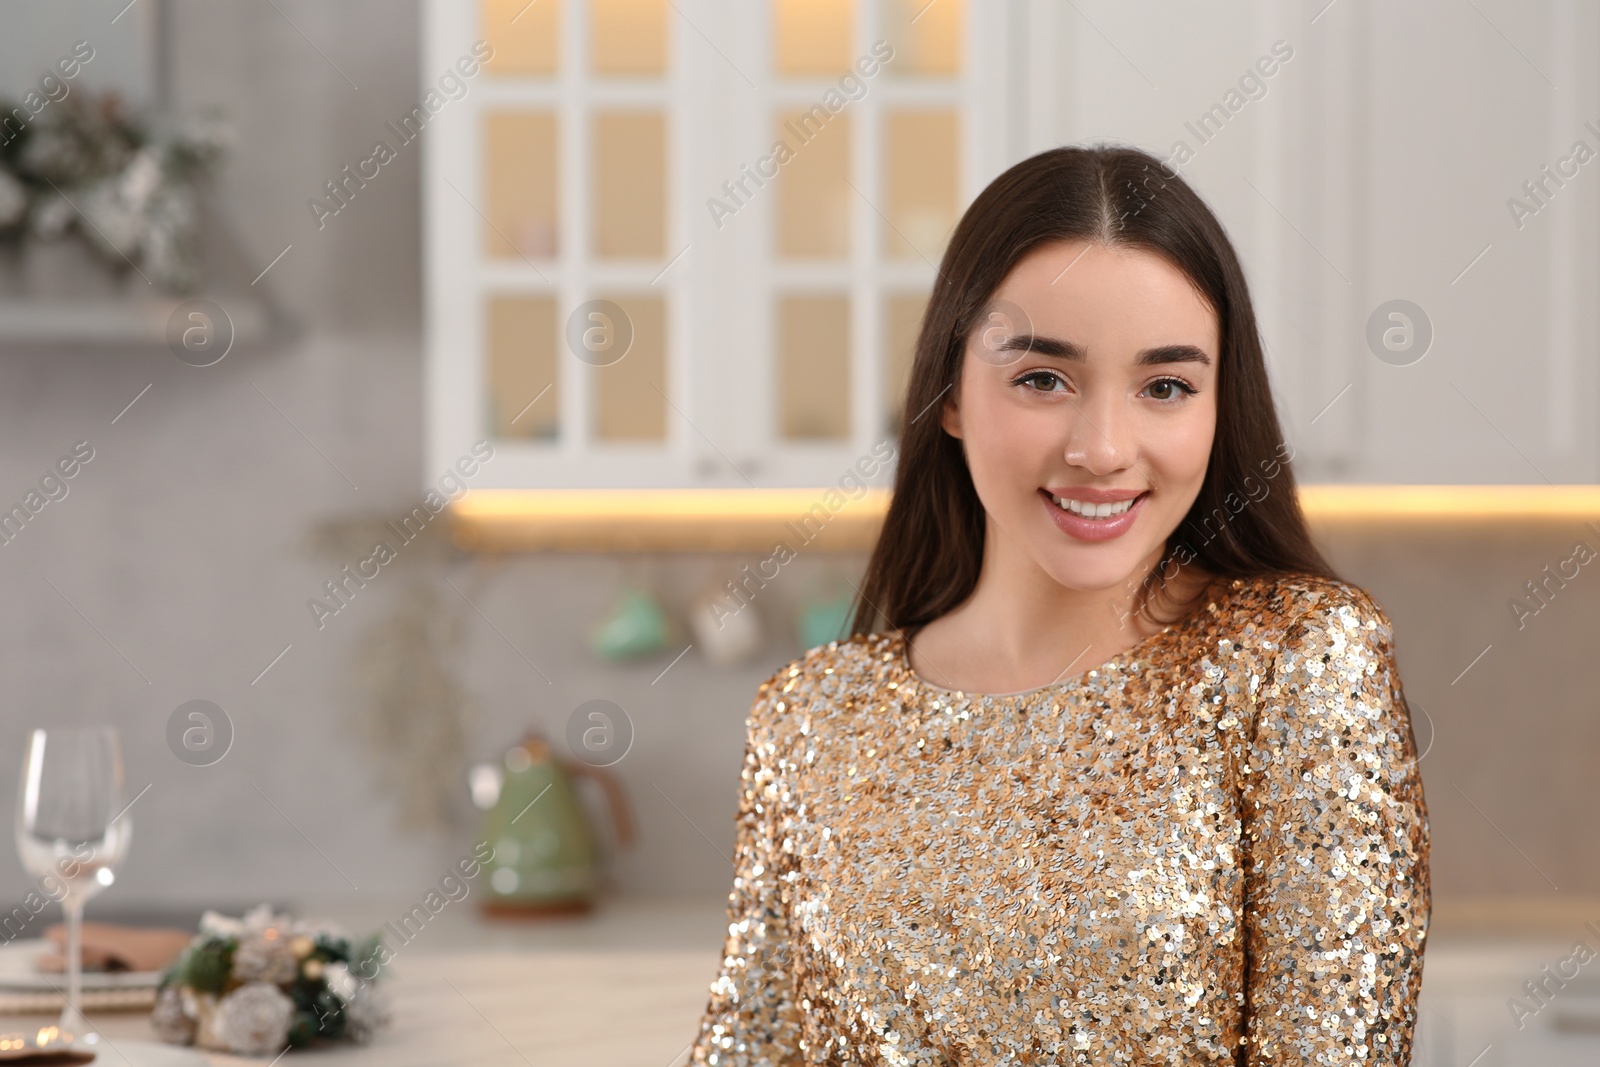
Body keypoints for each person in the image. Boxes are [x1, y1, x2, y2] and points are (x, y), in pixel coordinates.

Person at [685, 144, 1429, 1065]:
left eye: (1166, 386)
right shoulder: (811, 716)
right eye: (1043, 378)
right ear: (949, 393)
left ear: (1216, 407)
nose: (1105, 448)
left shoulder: (1300, 662)